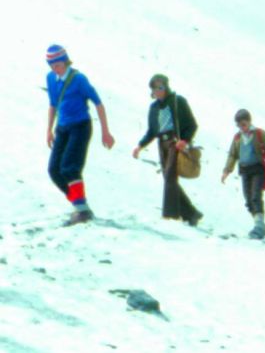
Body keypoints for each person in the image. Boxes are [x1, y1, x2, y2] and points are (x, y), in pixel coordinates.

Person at [44, 45, 115, 226]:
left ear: (66, 61)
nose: (55, 69)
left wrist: (105, 132)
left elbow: (98, 103)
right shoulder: (51, 78)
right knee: (54, 170)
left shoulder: (79, 79)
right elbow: (53, 104)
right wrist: (49, 130)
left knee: (69, 167)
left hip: (80, 126)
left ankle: (82, 210)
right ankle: (80, 206)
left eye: (58, 64)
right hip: (62, 128)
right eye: (51, 65)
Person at [131, 74, 203, 226]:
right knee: (168, 177)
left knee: (170, 176)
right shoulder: (154, 108)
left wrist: (184, 140)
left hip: (174, 142)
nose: (158, 91)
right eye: (155, 88)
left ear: (166, 87)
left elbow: (192, 124)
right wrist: (140, 145)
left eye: (161, 87)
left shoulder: (178, 102)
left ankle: (170, 216)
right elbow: (152, 131)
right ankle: (191, 213)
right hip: (161, 143)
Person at [221, 109, 265, 239]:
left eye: (244, 124)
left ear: (249, 122)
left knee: (255, 196)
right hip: (244, 170)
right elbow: (233, 155)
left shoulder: (259, 134)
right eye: (239, 125)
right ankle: (260, 225)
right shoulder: (237, 137)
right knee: (248, 200)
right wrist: (227, 170)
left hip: (258, 169)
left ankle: (259, 226)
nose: (242, 128)